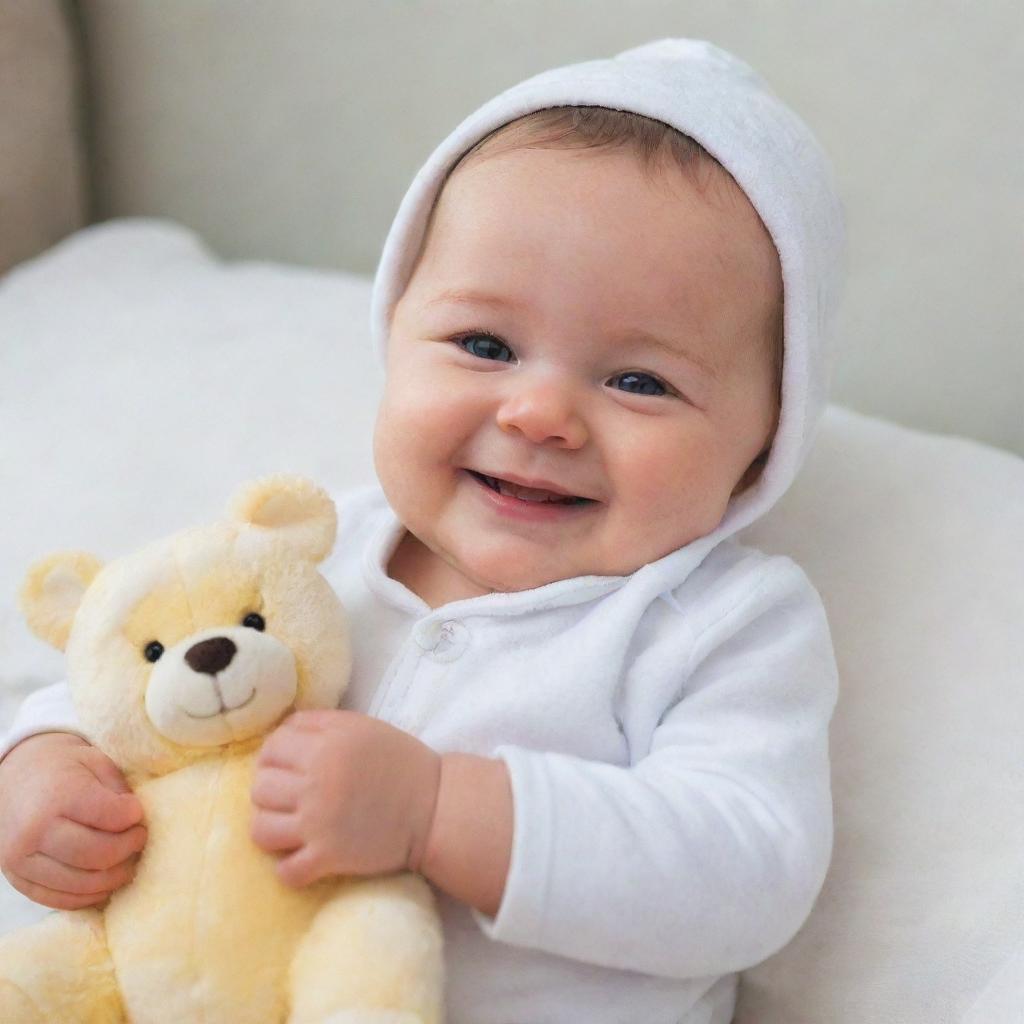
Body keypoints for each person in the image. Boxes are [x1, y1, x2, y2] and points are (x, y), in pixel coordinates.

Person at [0, 37, 846, 1024]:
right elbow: (131, 674)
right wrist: (44, 766)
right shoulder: (308, 556)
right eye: (484, 345)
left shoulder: (717, 622)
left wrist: (442, 811)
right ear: (396, 339)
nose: (539, 413)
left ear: (762, 443)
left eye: (638, 381)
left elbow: (742, 868)